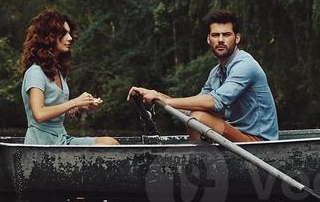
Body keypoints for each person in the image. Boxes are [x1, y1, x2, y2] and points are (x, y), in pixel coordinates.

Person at [127, 10, 279, 143]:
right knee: (195, 113)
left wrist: (166, 100)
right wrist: (155, 94)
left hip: (258, 143)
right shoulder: (216, 72)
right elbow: (189, 109)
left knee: (199, 118)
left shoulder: (246, 65)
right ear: (208, 40)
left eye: (226, 35)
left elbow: (216, 102)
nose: (220, 39)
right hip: (234, 138)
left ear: (237, 38)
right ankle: (198, 166)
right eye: (215, 35)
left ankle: (196, 165)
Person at [20, 9, 119, 146]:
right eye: (64, 33)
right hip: (41, 144)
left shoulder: (58, 71)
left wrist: (80, 106)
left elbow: (57, 110)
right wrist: (75, 102)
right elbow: (39, 114)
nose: (70, 38)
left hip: (61, 139)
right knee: (108, 144)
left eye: (69, 33)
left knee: (110, 142)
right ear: (49, 37)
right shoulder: (35, 72)